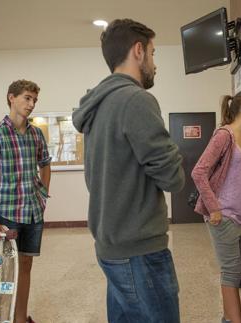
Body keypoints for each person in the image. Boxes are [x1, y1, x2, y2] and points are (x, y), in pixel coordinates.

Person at [72, 19, 184, 323]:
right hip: (140, 251)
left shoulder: (99, 105)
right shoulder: (136, 99)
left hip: (111, 245)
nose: (154, 63)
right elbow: (172, 177)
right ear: (138, 51)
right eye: (153, 53)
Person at [0, 79, 51, 323]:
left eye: (34, 100)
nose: (31, 104)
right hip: (6, 216)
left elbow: (45, 163)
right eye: (27, 98)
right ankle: (1, 318)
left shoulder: (36, 134)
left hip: (33, 214)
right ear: (11, 98)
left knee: (25, 267)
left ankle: (20, 318)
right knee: (6, 272)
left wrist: (43, 194)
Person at [191, 91, 241, 323]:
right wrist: (214, 208)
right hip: (223, 218)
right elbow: (198, 172)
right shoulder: (224, 136)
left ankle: (229, 318)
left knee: (237, 272)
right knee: (231, 274)